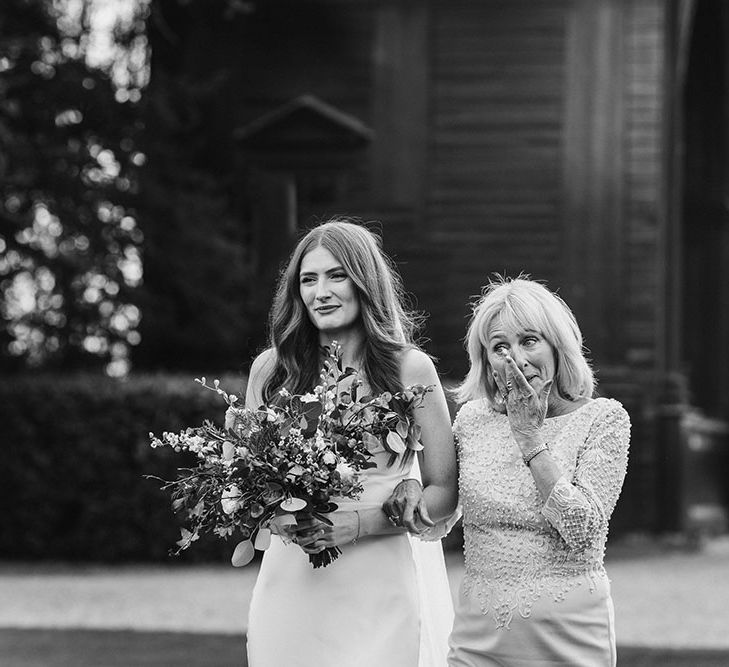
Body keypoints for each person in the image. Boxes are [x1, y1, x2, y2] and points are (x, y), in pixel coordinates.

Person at [244, 218, 458, 667]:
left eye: (336, 275)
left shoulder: (409, 370)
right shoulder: (271, 371)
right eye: (308, 279)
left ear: (365, 281)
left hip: (379, 576)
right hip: (293, 577)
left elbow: (445, 491)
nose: (320, 291)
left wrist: (359, 524)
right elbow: (249, 485)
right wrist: (276, 518)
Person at [387, 275, 630, 666]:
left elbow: (583, 529)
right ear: (486, 361)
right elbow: (443, 511)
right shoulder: (472, 420)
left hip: (568, 637)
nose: (515, 358)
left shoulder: (604, 419)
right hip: (477, 638)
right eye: (500, 346)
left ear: (557, 346)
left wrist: (530, 438)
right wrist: (413, 488)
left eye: (529, 340)